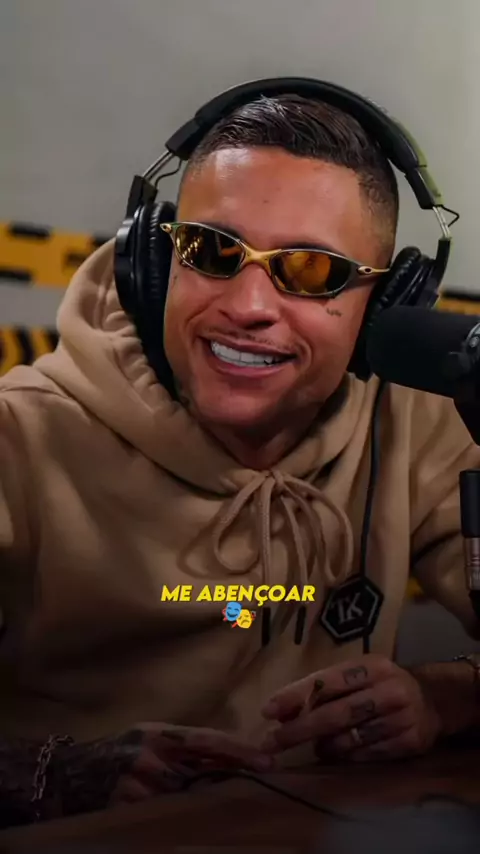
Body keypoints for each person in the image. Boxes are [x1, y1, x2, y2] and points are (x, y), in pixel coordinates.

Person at [1, 81, 480, 827]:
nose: (248, 306)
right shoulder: (19, 435)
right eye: (212, 251)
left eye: (311, 271)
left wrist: (444, 696)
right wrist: (55, 774)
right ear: (154, 259)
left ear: (385, 303)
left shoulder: (415, 421)